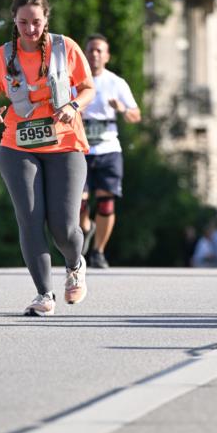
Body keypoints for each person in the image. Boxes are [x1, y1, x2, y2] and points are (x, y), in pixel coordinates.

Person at [0, 0, 95, 316]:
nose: (30, 29)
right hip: (17, 147)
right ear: (14, 21)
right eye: (23, 22)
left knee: (64, 227)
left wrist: (73, 106)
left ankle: (74, 264)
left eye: (36, 22)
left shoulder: (65, 48)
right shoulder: (3, 56)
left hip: (64, 144)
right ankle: (44, 294)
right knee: (29, 220)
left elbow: (88, 88)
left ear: (46, 19)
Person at [79, 33, 141, 269]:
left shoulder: (116, 82)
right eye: (91, 50)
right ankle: (86, 227)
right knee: (78, 202)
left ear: (107, 56)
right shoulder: (74, 80)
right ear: (84, 54)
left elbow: (136, 115)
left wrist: (122, 108)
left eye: (99, 51)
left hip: (108, 149)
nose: (94, 54)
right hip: (81, 149)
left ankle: (98, 251)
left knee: (106, 203)